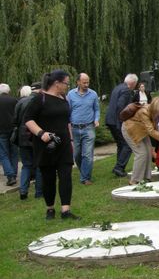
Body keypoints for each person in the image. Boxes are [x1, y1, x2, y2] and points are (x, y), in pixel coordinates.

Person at [24, 70, 79, 220]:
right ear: (57, 83)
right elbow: (28, 120)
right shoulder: (39, 99)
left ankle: (65, 211)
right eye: (66, 83)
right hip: (46, 146)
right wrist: (42, 134)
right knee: (48, 178)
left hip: (64, 144)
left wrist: (71, 140)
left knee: (66, 176)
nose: (67, 86)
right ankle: (50, 209)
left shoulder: (63, 98)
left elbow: (67, 121)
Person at [66, 73, 99, 185]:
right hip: (75, 128)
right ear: (78, 82)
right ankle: (84, 172)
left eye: (87, 82)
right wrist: (68, 125)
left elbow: (96, 109)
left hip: (89, 127)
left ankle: (85, 178)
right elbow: (67, 111)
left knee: (87, 154)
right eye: (84, 82)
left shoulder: (93, 94)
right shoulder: (70, 94)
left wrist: (96, 119)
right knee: (77, 155)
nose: (86, 84)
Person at [122, 97, 159, 185]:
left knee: (148, 151)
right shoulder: (144, 112)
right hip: (130, 130)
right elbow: (151, 131)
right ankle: (135, 180)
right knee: (141, 153)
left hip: (142, 130)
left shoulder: (153, 110)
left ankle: (146, 178)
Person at [13, 85, 43, 199]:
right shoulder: (40, 101)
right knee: (39, 164)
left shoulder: (20, 102)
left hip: (23, 137)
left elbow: (15, 120)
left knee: (26, 165)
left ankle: (23, 191)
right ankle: (39, 192)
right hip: (36, 136)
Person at [106, 73, 138, 177]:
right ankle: (119, 167)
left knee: (120, 144)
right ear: (133, 83)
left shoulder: (118, 87)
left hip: (110, 120)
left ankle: (118, 166)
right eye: (135, 84)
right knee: (127, 145)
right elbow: (121, 106)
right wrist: (124, 118)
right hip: (117, 121)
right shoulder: (126, 90)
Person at [0, 83, 18, 186]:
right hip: (13, 130)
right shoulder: (14, 100)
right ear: (9, 90)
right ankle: (14, 174)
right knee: (14, 152)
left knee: (3, 154)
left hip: (1, 131)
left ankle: (10, 175)